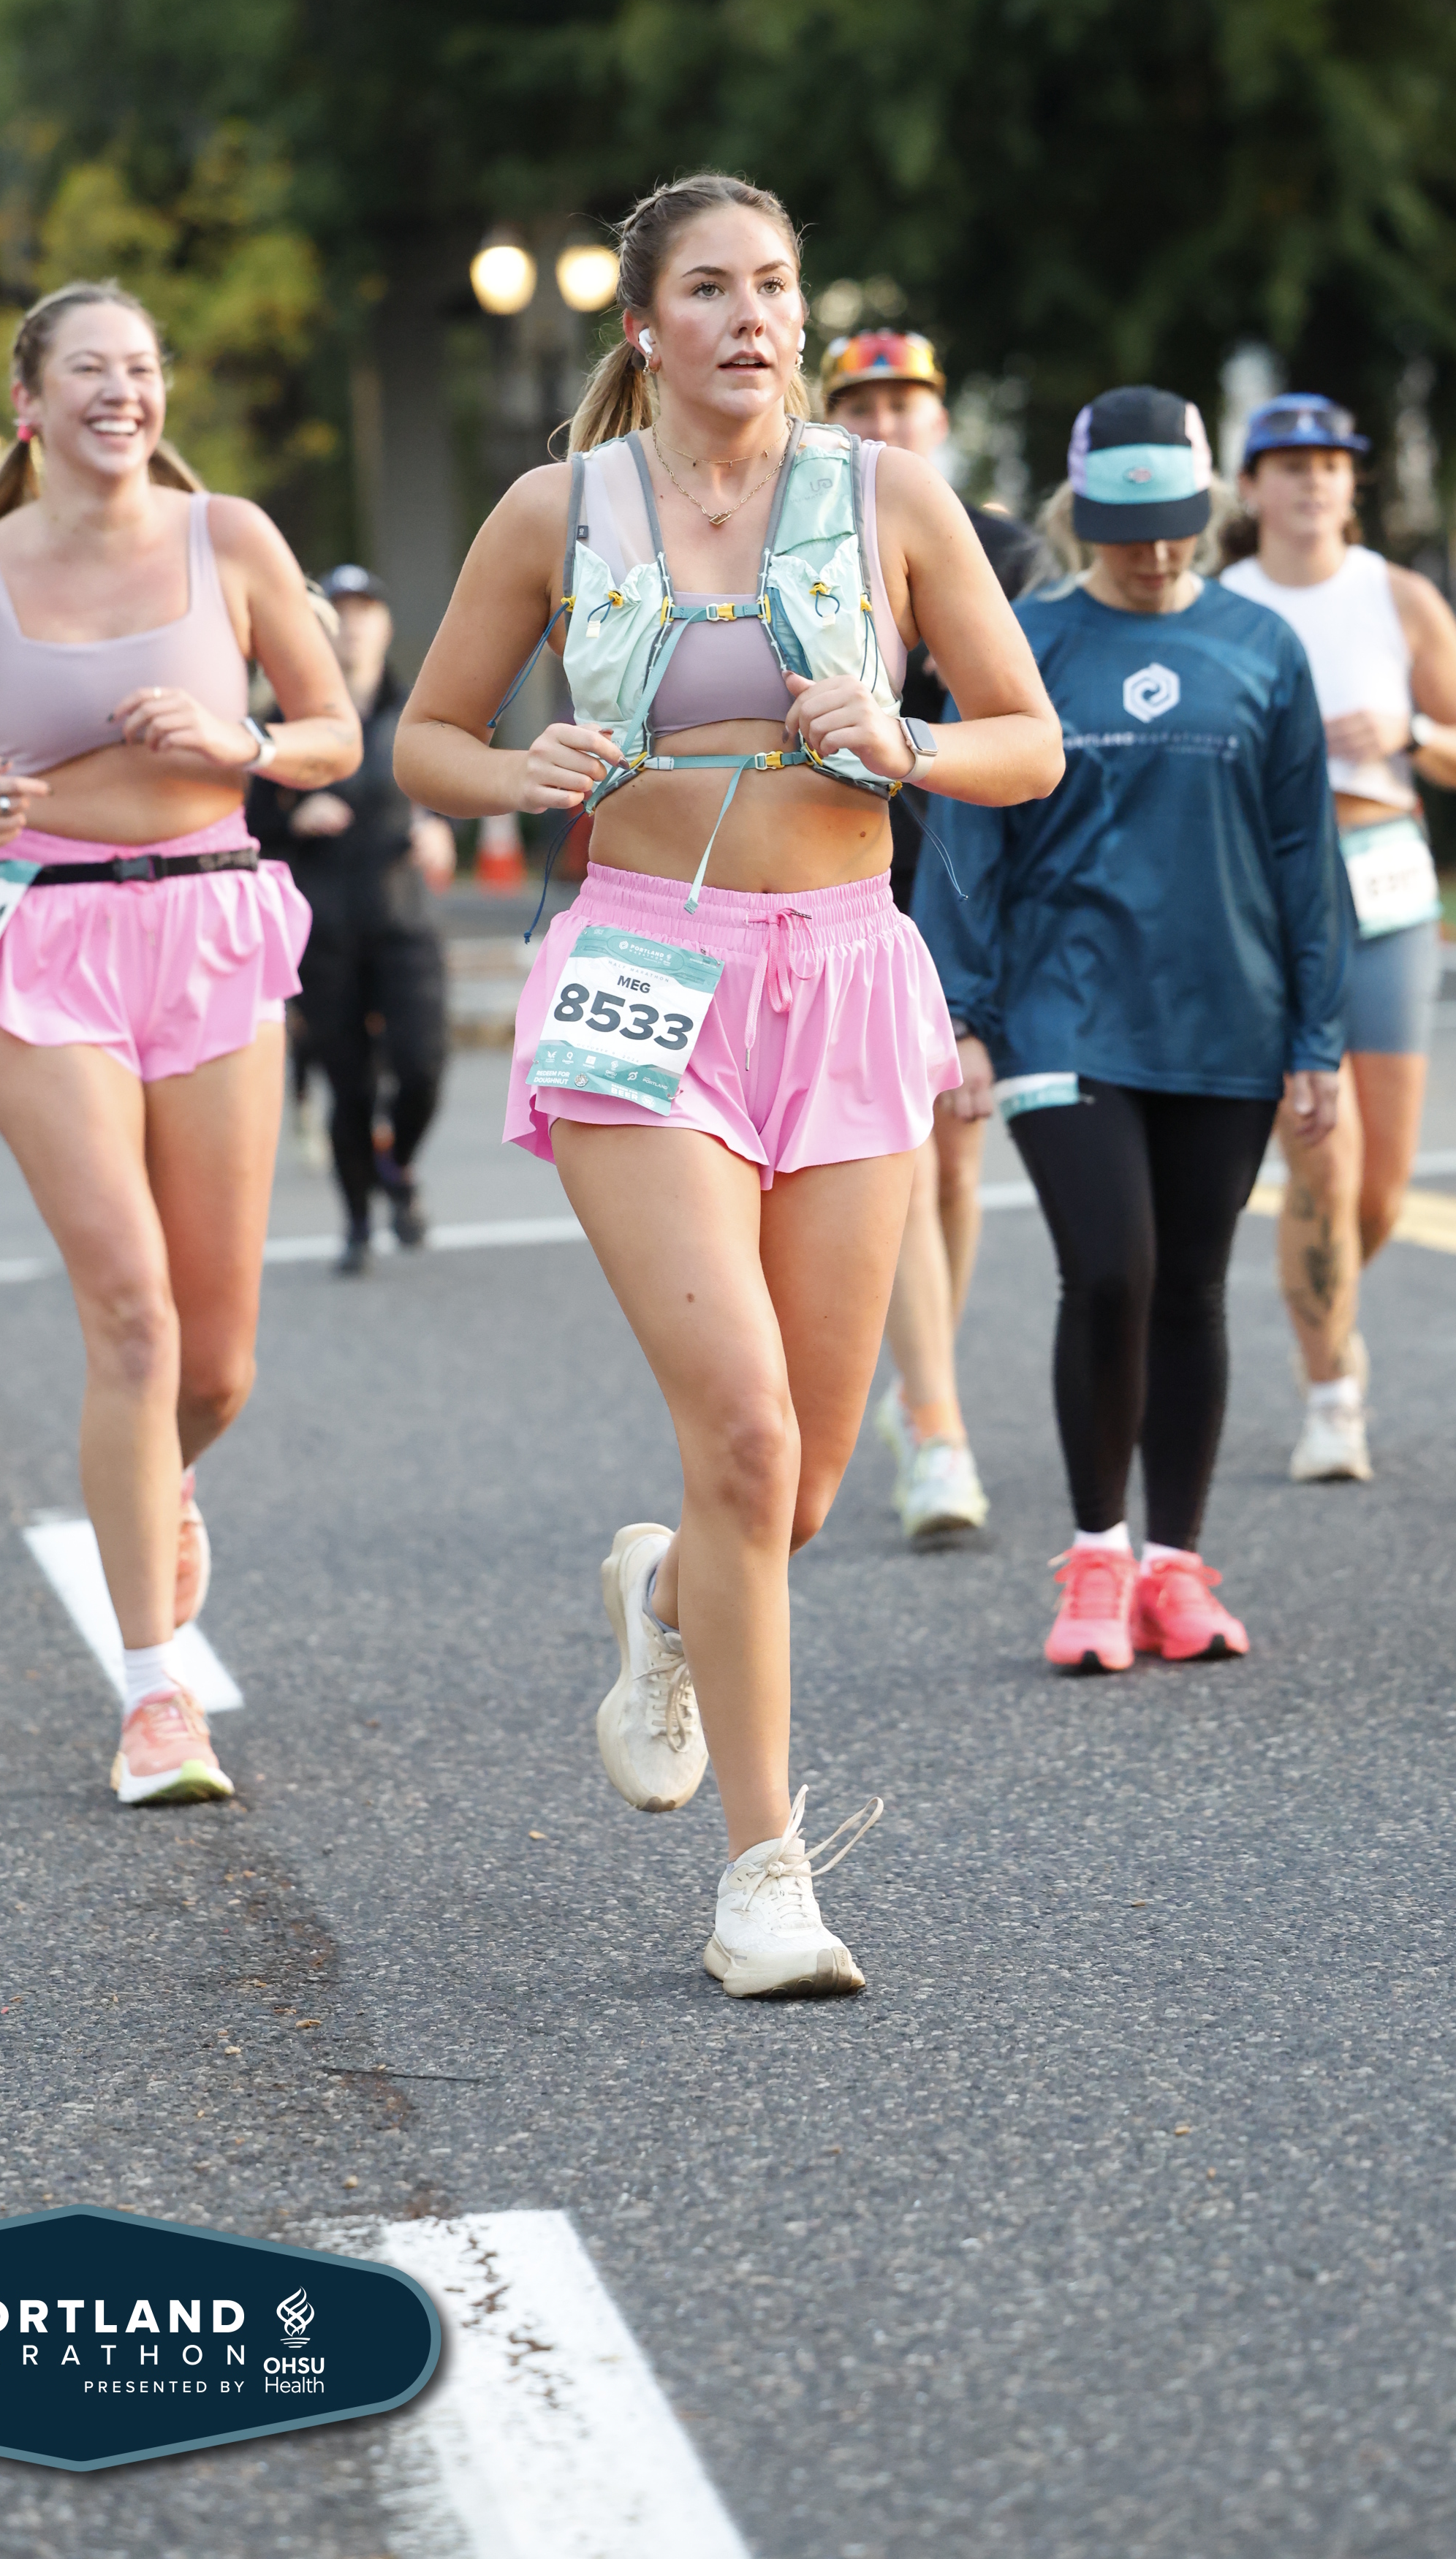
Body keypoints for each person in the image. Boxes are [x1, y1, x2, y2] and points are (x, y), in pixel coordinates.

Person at [395, 173, 1062, 1997]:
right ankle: (765, 1876)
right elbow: (425, 738)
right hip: (640, 973)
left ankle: (662, 1594)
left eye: (773, 283)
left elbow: (1028, 743)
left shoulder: (890, 495)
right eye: (709, 287)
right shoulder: (557, 509)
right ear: (645, 324)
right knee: (746, 1439)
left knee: (803, 1484)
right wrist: (515, 770)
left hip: (845, 969)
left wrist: (908, 741)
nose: (750, 314)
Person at [0, 278, 357, 1807]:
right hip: (47, 938)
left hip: (213, 919)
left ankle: (164, 1478)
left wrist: (240, 744)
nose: (119, 390)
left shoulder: (233, 539)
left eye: (139, 367)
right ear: (30, 402)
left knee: (217, 1362)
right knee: (133, 1319)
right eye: (87, 368)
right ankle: (156, 1694)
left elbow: (337, 731)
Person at [922, 386, 1348, 1675]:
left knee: (1193, 1288)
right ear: (1079, 513)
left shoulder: (1262, 647)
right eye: (1124, 528)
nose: (1154, 552)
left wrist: (1316, 1030)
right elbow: (968, 834)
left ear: (1207, 511)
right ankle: (1096, 1555)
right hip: (1061, 1011)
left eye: (1174, 526)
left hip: (1228, 1014)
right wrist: (960, 1013)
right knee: (1109, 1270)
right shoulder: (1026, 641)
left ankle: (1174, 1566)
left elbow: (1303, 850)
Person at [1220, 396, 1456, 1482]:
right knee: (1321, 1158)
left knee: (1380, 1186)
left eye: (1330, 463)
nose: (1312, 481)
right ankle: (1331, 1393)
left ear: (1354, 483)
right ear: (1251, 487)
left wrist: (1409, 732)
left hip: (1385, 882)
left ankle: (1319, 1296)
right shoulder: (1223, 604)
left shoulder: (1400, 595)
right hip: (1268, 891)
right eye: (1288, 464)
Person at [816, 327, 1042, 1546]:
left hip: (967, 871)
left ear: (939, 421)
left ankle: (919, 1390)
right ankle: (935, 1417)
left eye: (905, 404)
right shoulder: (795, 540)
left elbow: (1029, 730)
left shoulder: (1001, 552)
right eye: (861, 405)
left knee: (953, 1159)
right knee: (902, 1149)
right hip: (854, 877)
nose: (885, 423)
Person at [250, 563, 455, 1273]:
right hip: (325, 928)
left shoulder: (417, 708)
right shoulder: (286, 719)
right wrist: (294, 817)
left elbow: (454, 780)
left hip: (404, 919)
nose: (355, 626)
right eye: (341, 613)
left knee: (422, 1067)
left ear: (386, 625)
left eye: (367, 611)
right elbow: (246, 825)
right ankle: (359, 1221)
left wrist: (442, 827)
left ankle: (397, 1165)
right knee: (349, 1084)